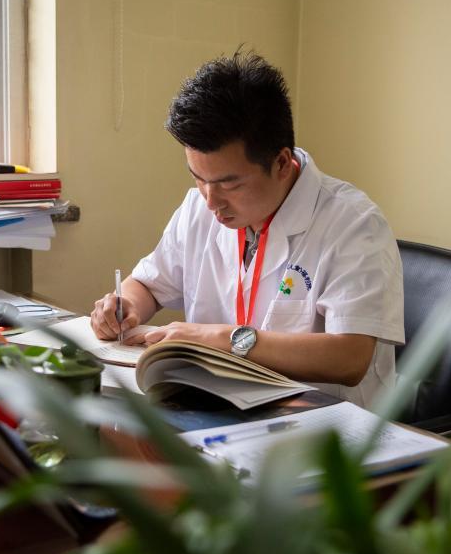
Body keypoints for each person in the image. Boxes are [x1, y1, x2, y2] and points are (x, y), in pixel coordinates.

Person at [91, 51, 403, 406]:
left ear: (281, 163)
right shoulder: (198, 207)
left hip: (323, 423)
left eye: (230, 184)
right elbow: (149, 284)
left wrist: (221, 340)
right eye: (198, 178)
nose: (211, 201)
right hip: (222, 408)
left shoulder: (354, 224)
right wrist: (125, 305)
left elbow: (349, 358)